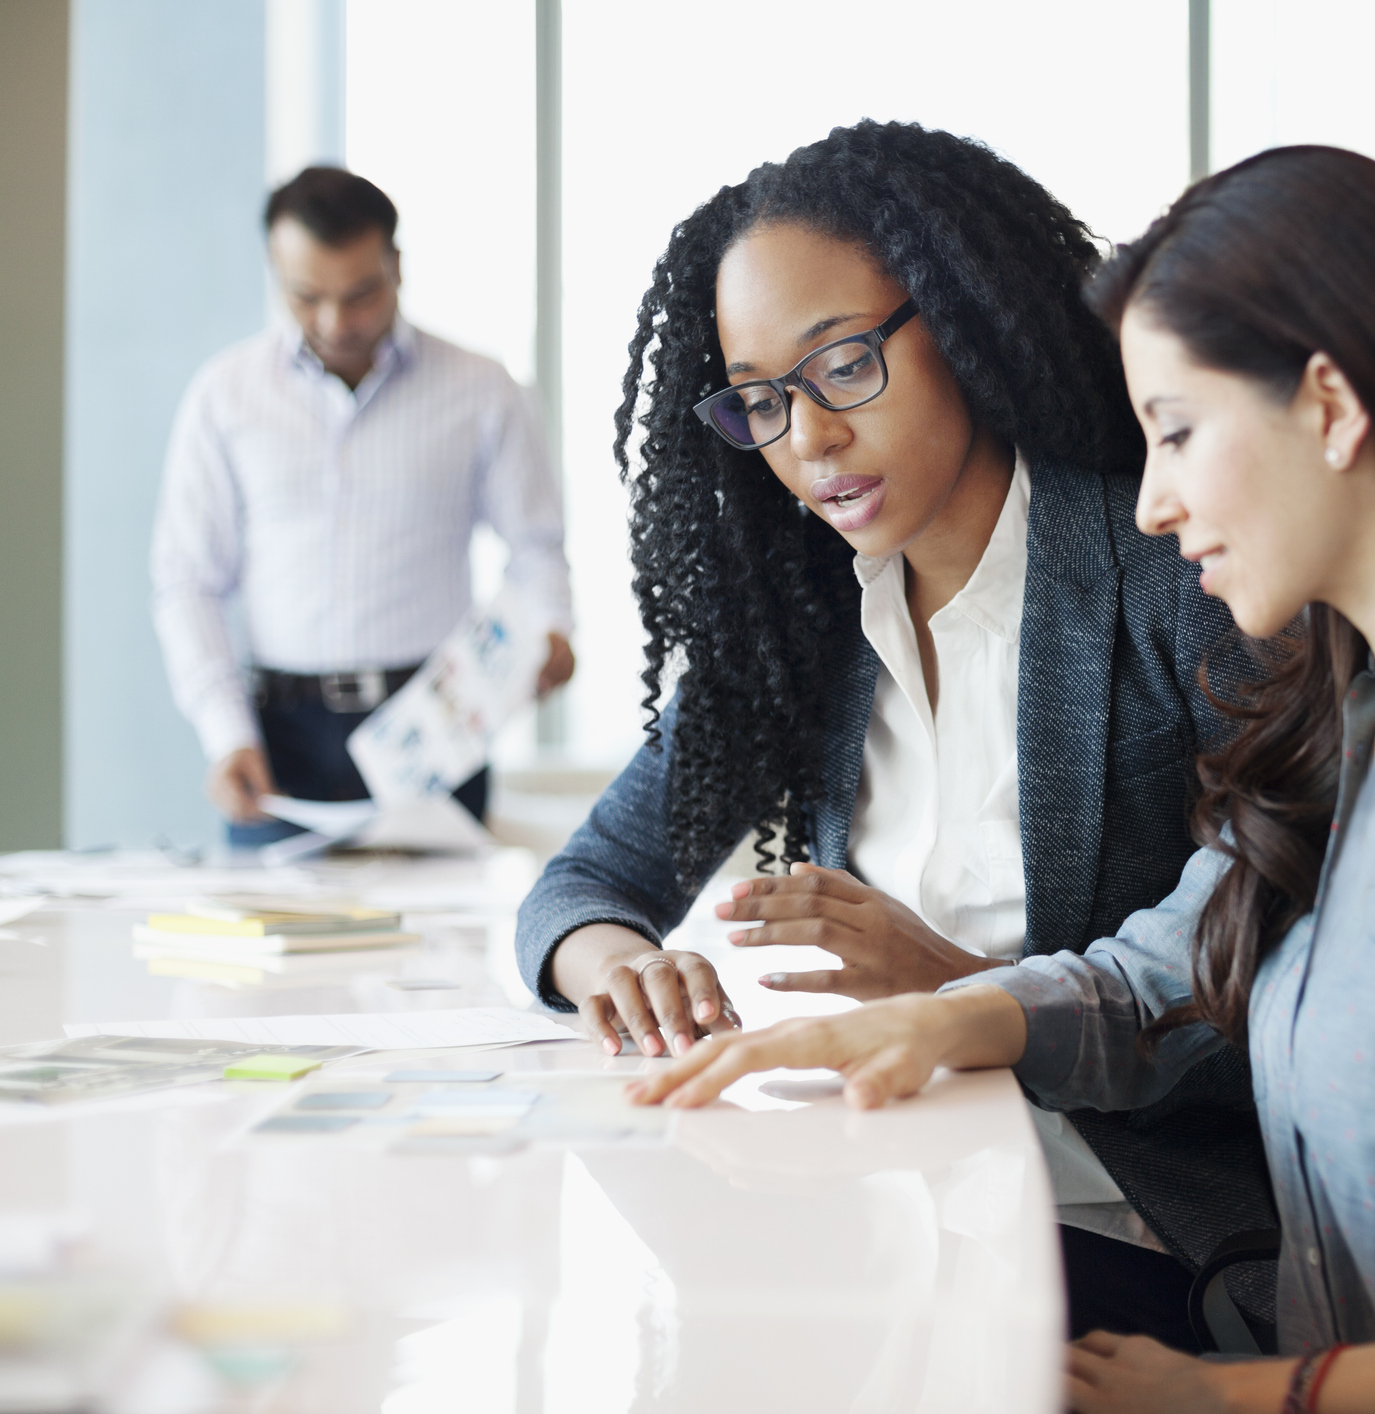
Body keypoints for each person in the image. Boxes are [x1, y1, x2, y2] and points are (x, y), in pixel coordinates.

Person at [624, 145, 1375, 1414]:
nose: (1150, 504)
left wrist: (1239, 1397)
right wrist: (948, 1017)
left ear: (1328, 406)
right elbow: (1184, 958)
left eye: (1179, 433)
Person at [514, 122, 1273, 1347]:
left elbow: (1269, 985)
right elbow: (586, 885)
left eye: (844, 365)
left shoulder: (1174, 569)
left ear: (962, 321)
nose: (807, 439)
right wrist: (622, 970)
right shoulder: (804, 628)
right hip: (889, 1210)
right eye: (760, 400)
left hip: (1124, 1231)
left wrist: (961, 994)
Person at [151, 166, 575, 846]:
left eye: (360, 294)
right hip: (278, 738)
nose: (335, 321)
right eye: (306, 296)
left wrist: (551, 626)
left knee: (446, 947)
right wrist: (225, 734)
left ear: (396, 267)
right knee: (277, 948)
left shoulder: (481, 388)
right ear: (274, 272)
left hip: (435, 727)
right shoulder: (224, 396)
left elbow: (534, 544)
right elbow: (187, 582)